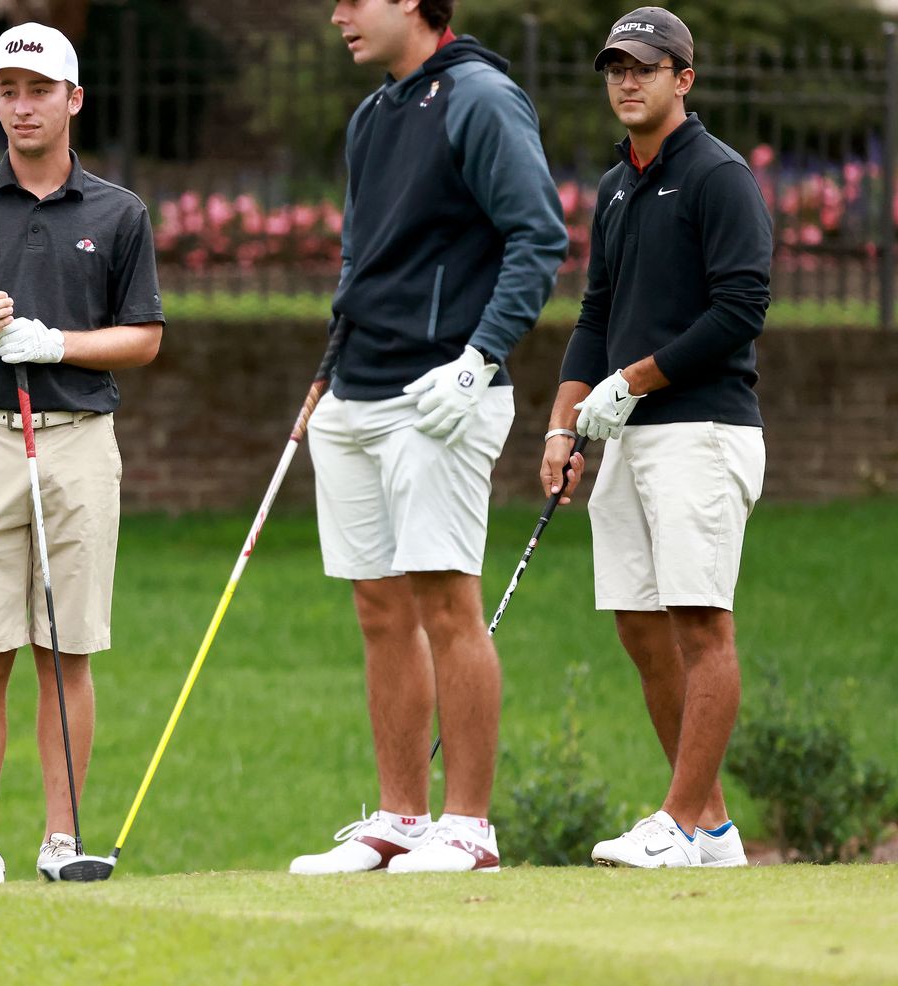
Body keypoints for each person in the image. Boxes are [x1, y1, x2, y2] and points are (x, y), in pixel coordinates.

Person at [291, 0, 565, 875]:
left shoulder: (481, 97)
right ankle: (401, 818)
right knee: (379, 610)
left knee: (448, 602)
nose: (338, 16)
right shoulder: (372, 114)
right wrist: (329, 369)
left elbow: (538, 237)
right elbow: (360, 258)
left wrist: (481, 358)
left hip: (440, 392)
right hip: (358, 389)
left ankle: (469, 827)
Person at [0, 23, 163, 885]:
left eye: (39, 90)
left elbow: (144, 338)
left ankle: (60, 835)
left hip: (80, 442)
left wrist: (57, 346)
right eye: (8, 90)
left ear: (73, 100)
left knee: (66, 648)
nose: (22, 105)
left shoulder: (119, 212)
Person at [545, 8, 771, 869]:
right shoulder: (616, 186)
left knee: (701, 624)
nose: (627, 81)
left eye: (645, 66)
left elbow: (740, 310)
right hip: (629, 439)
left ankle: (676, 822)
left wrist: (632, 382)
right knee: (640, 626)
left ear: (685, 77)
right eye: (615, 67)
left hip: (703, 432)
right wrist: (564, 423)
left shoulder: (719, 177)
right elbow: (596, 313)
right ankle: (710, 827)